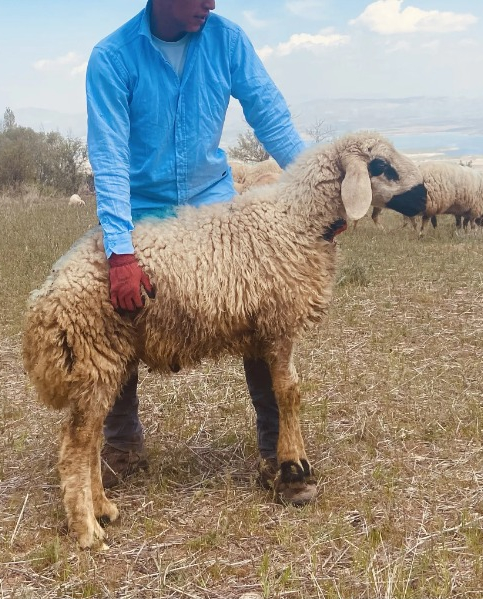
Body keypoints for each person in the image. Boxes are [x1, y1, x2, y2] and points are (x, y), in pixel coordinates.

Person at [86, 0, 316, 505]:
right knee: (114, 309)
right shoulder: (112, 58)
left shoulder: (226, 40)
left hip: (212, 204)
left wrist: (317, 191)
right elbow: (110, 156)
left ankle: (277, 450)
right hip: (142, 209)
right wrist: (120, 253)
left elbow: (271, 117)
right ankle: (122, 444)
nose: (211, 4)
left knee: (263, 307)